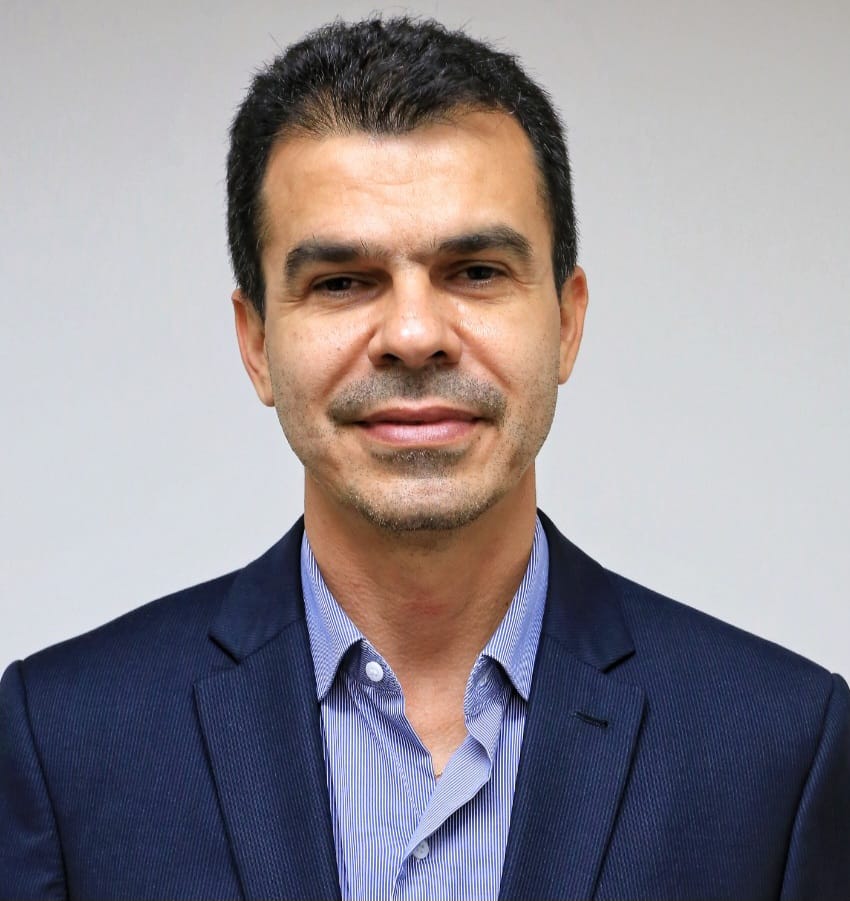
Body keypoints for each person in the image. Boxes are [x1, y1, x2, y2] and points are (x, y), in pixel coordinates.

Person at [1, 15, 848, 901]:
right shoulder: (65, 742)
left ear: (568, 321)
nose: (412, 335)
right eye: (341, 282)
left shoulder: (778, 750)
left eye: (476, 271)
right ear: (256, 344)